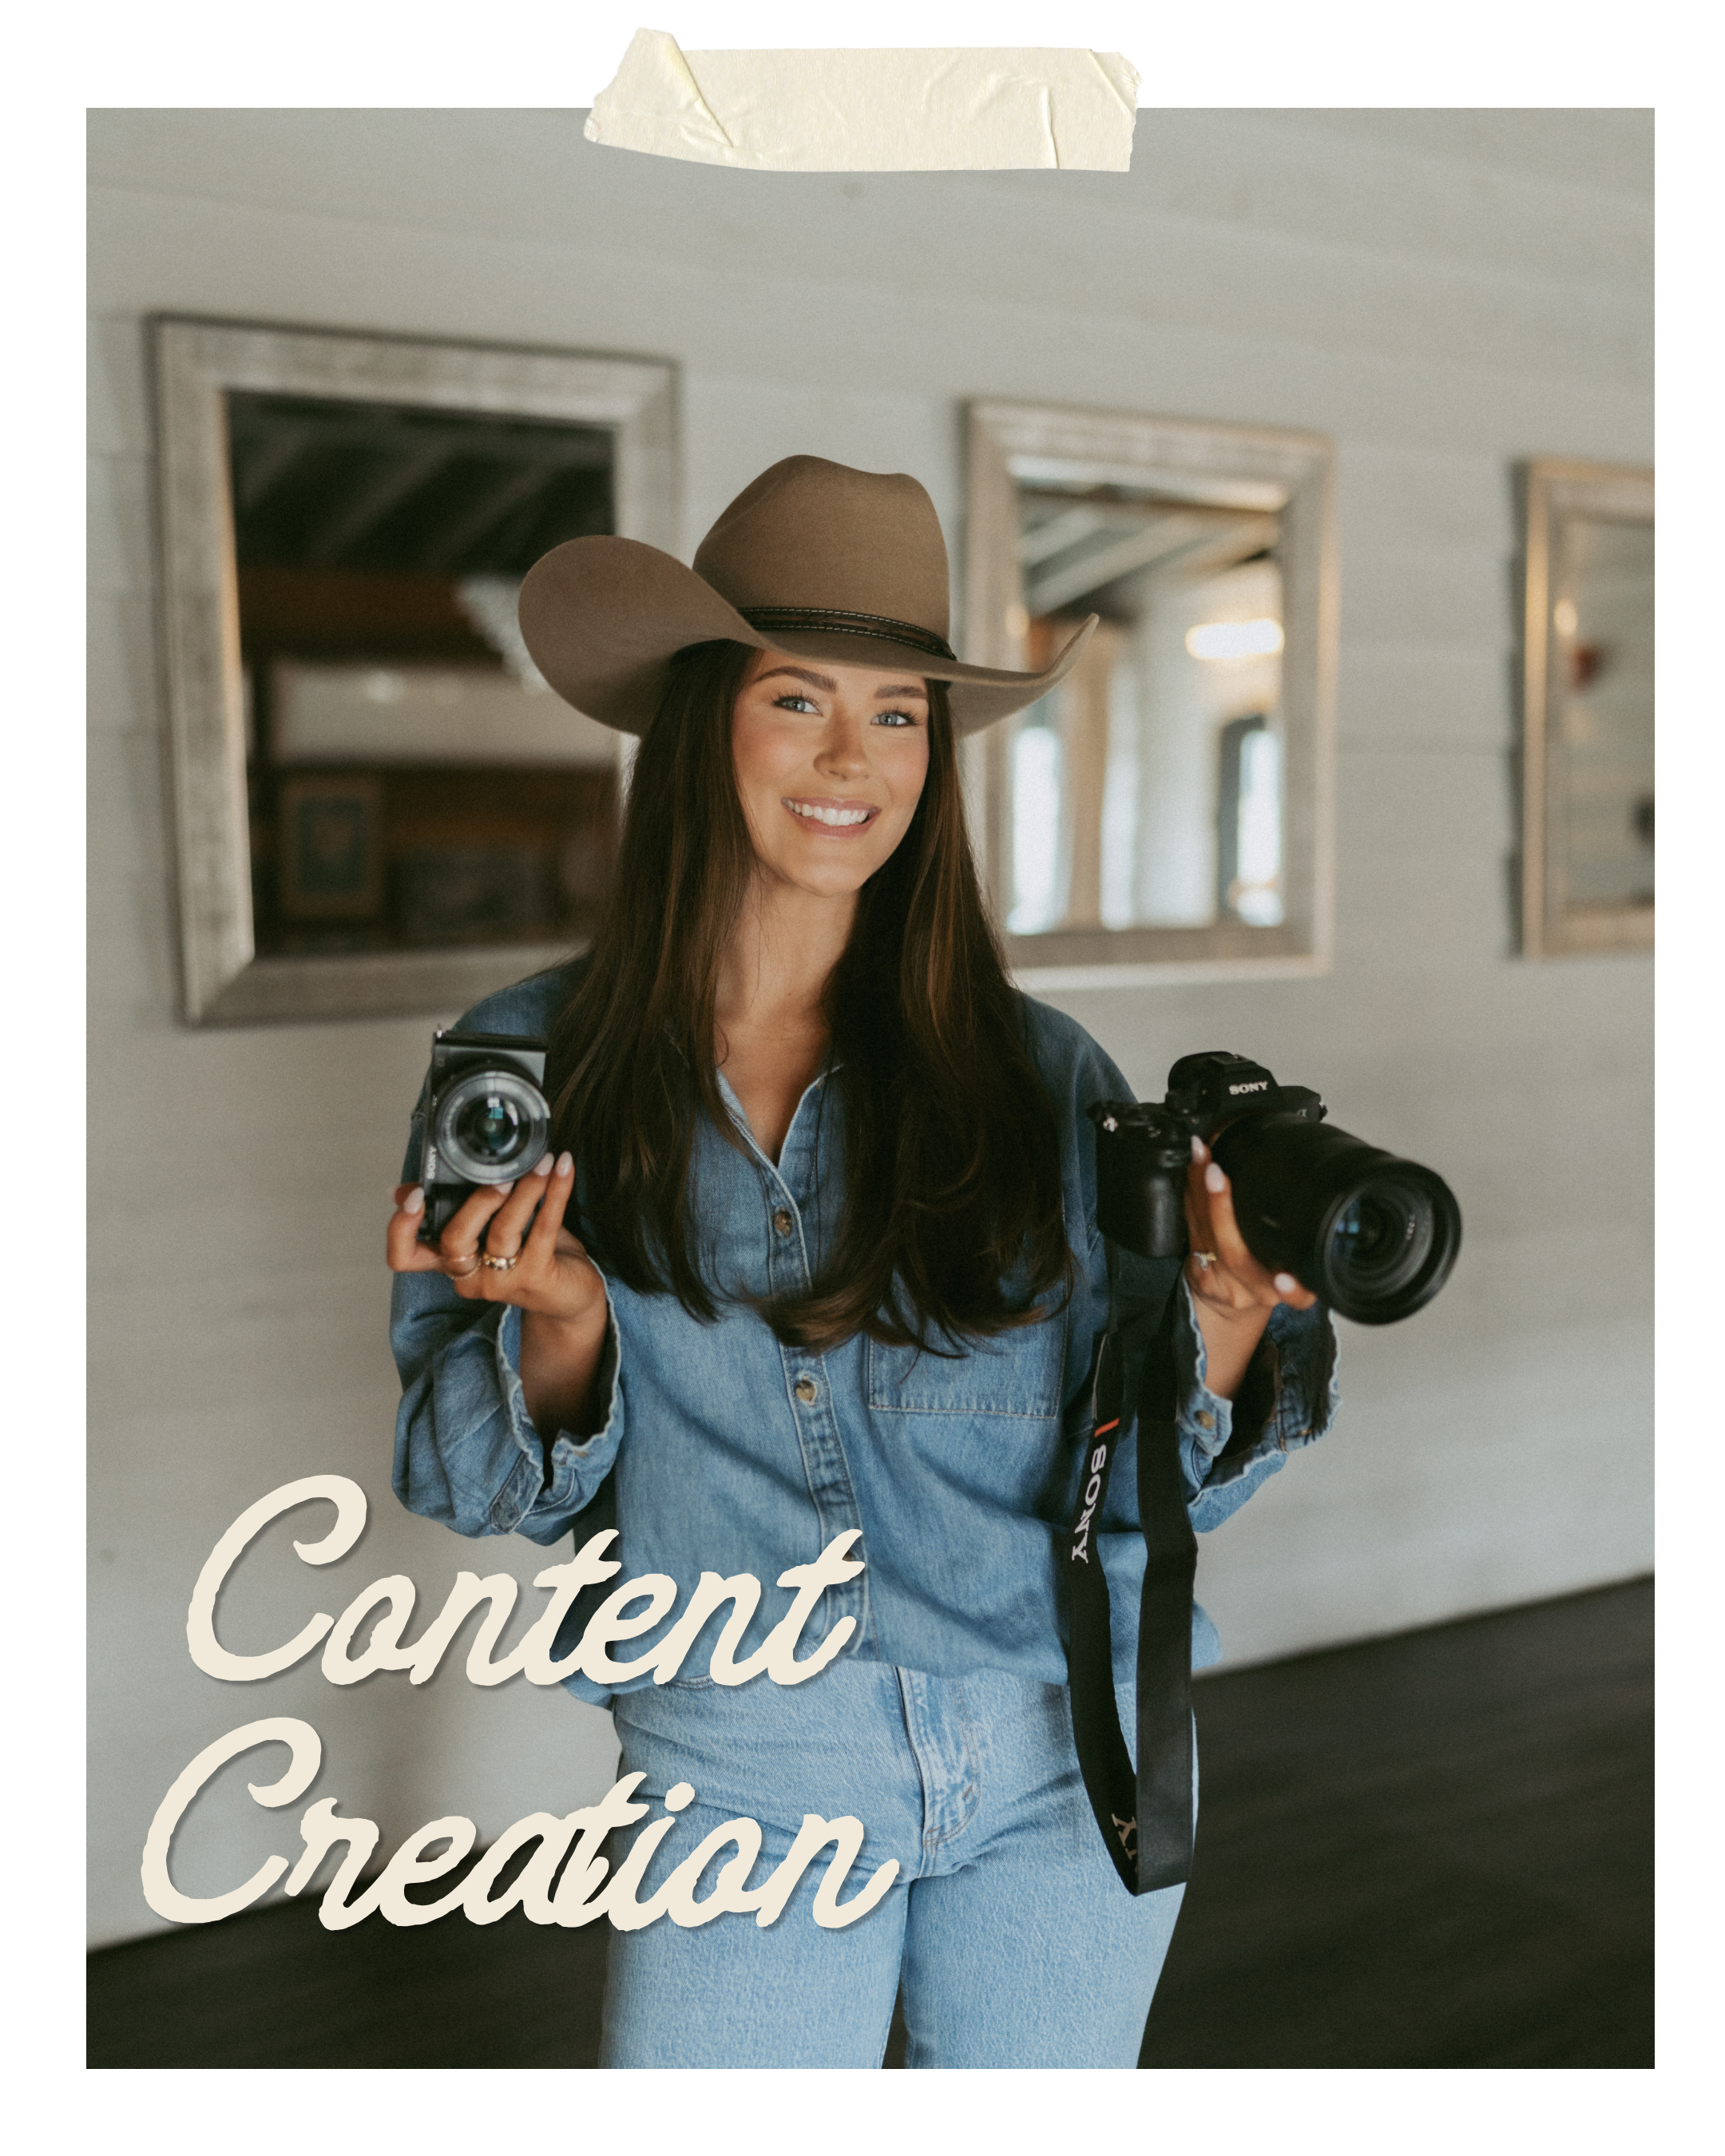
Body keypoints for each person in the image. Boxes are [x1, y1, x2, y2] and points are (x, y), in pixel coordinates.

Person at [387, 456, 1338, 2071]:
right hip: (744, 1766)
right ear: (705, 724)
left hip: (1065, 1747)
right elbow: (468, 1479)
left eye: (900, 714)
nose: (855, 760)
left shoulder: (1044, 1074)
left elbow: (1148, 1476)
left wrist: (1231, 1323)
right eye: (799, 701)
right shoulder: (532, 1071)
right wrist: (561, 1327)